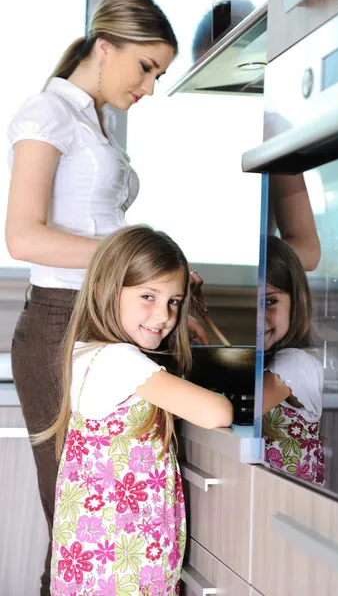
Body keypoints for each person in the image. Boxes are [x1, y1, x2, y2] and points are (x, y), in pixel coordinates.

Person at [5, 0, 205, 594]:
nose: (149, 86)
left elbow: (99, 233)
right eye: (145, 67)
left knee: (102, 526)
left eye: (159, 76)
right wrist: (130, 264)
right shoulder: (48, 112)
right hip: (58, 323)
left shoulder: (96, 122)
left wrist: (159, 288)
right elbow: (22, 236)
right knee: (75, 524)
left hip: (97, 320)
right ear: (105, 45)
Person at [32, 224, 233, 595]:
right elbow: (217, 412)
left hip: (98, 556)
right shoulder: (121, 361)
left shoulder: (88, 350)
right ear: (104, 291)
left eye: (174, 301)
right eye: (148, 297)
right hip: (122, 558)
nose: (164, 315)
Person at [261, 236, 325, 485]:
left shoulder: (295, 363)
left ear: (295, 303)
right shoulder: (269, 360)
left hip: (289, 509)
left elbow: (243, 410)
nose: (259, 316)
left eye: (270, 301)